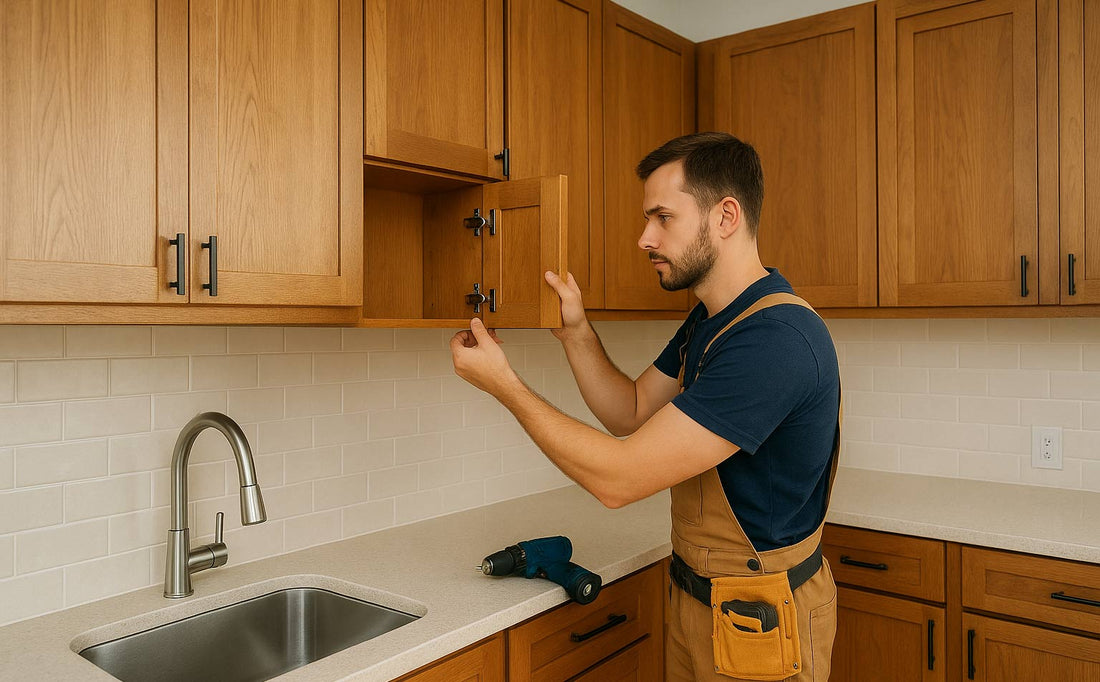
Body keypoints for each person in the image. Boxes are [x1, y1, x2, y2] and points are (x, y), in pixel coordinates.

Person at [450, 132, 841, 681]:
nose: (644, 238)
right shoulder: (712, 320)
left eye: (663, 218)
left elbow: (620, 479)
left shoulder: (775, 339)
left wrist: (505, 386)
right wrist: (576, 332)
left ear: (725, 216)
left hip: (759, 619)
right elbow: (632, 411)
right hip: (696, 599)